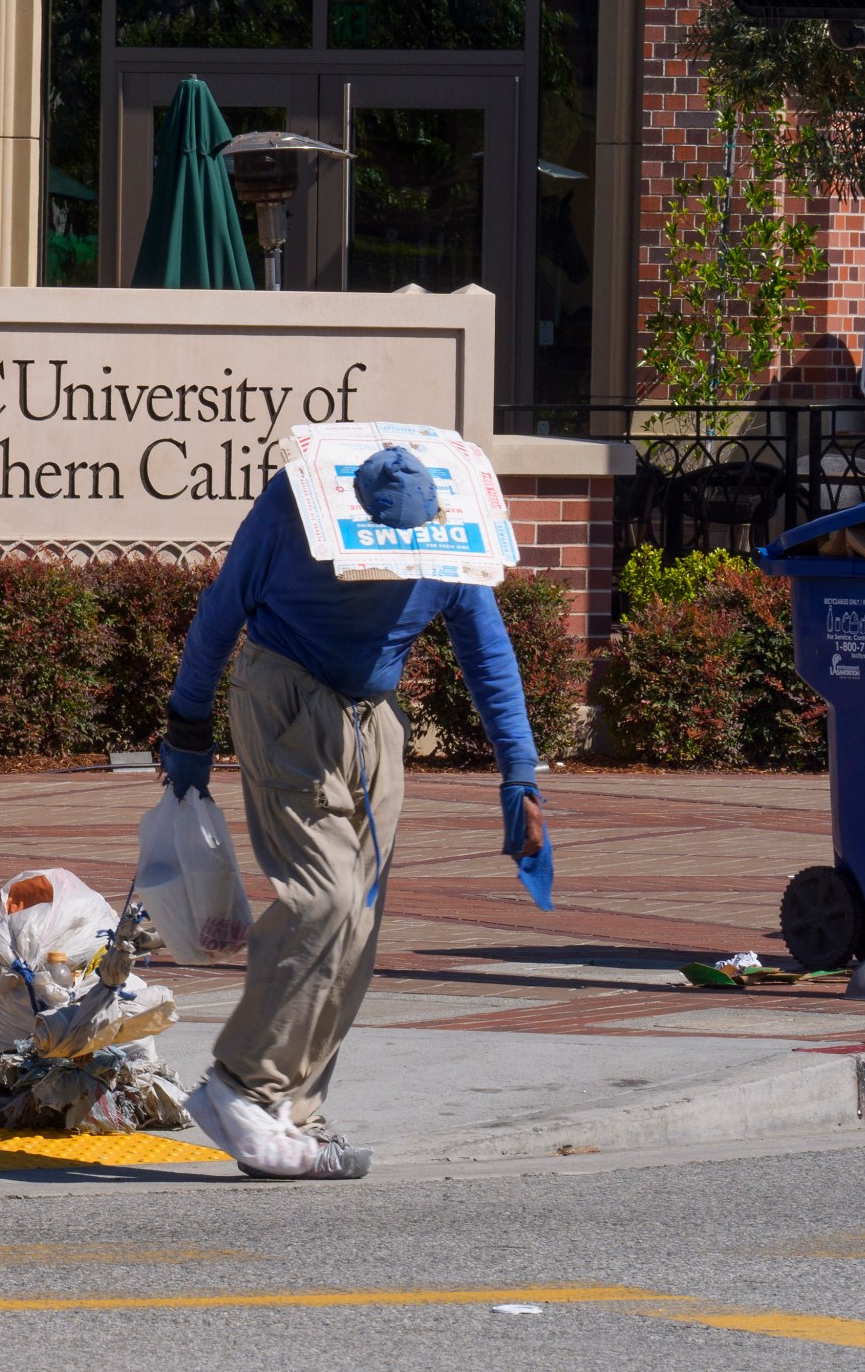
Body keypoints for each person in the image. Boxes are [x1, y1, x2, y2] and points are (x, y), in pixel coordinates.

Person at [161, 446, 548, 1181]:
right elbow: (221, 611)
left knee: (360, 922)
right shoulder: (289, 505)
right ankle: (238, 1084)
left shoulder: (445, 535)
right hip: (284, 694)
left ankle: (294, 1114)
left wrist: (518, 773)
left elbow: (485, 647)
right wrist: (187, 728)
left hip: (373, 720)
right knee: (326, 898)